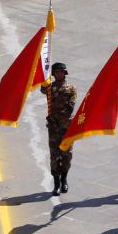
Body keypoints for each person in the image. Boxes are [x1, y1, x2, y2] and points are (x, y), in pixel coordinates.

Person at [41, 62, 77, 196]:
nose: (59, 74)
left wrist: (60, 116)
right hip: (53, 127)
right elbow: (42, 88)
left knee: (67, 155)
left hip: (66, 127)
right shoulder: (49, 87)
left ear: (65, 73)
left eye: (61, 72)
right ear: (53, 74)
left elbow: (71, 106)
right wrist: (44, 74)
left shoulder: (71, 88)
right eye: (56, 72)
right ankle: (56, 183)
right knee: (54, 155)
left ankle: (64, 179)